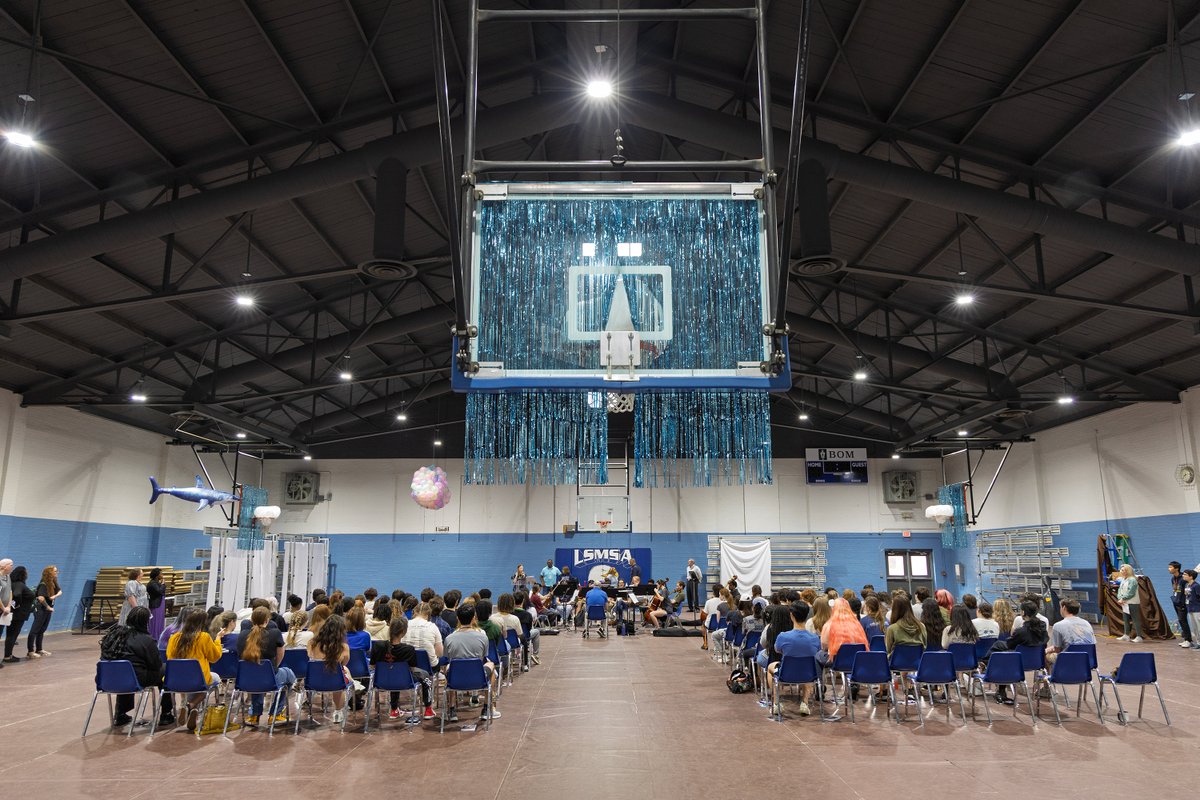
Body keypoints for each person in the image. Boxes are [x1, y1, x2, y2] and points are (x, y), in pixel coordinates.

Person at [106, 606, 175, 729]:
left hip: (108, 679)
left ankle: (120, 713)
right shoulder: (146, 640)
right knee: (166, 669)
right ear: (145, 622)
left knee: (125, 671)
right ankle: (166, 713)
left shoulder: (113, 636)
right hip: (137, 679)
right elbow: (156, 664)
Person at [236, 606, 295, 726]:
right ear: (267, 620)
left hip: (246, 679)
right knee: (289, 675)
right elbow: (280, 655)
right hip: (269, 677)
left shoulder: (242, 635)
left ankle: (254, 715)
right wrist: (272, 669)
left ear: (252, 620)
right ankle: (275, 713)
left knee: (258, 679)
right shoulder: (275, 633)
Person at [166, 607, 223, 731]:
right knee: (215, 679)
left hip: (175, 679)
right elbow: (215, 657)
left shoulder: (174, 637)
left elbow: (169, 657)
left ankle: (190, 708)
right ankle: (191, 705)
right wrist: (218, 640)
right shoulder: (204, 637)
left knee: (191, 683)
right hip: (198, 679)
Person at [442, 604, 499, 722]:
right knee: (491, 665)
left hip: (455, 679)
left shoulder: (449, 638)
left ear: (458, 618)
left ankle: (452, 709)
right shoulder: (482, 636)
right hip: (478, 677)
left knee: (448, 666)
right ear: (474, 618)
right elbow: (483, 657)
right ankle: (487, 707)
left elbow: (447, 658)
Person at [371, 616, 431, 721]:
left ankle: (394, 709)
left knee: (394, 673)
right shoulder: (409, 650)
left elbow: (372, 666)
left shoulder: (378, 646)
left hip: (381, 681)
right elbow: (412, 669)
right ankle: (428, 708)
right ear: (403, 631)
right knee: (425, 676)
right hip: (403, 681)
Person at [991, 601, 1049, 705]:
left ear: (1023, 612)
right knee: (1002, 647)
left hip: (1019, 662)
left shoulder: (1021, 631)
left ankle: (987, 665)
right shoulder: (1043, 626)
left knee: (1000, 648)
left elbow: (1010, 644)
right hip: (1037, 662)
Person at [770, 601, 820, 716]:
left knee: (770, 667)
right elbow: (817, 651)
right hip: (809, 675)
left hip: (786, 673)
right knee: (806, 667)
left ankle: (776, 703)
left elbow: (777, 650)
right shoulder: (815, 638)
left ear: (791, 615)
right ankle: (805, 702)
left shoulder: (783, 636)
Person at [307, 613, 351, 724]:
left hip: (313, 681)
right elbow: (344, 663)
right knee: (342, 673)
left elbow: (310, 659)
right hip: (335, 682)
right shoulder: (343, 647)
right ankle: (338, 711)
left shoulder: (312, 643)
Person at [1045, 598, 1095, 666]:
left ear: (1064, 608)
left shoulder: (1058, 625)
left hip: (1067, 659)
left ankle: (1053, 676)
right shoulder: (1087, 623)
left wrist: (1046, 651)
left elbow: (1057, 649)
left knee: (1047, 656)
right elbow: (1092, 643)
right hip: (1087, 659)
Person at [822, 598, 868, 666]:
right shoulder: (857, 624)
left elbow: (824, 645)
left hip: (836, 661)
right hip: (856, 660)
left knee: (818, 655)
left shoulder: (828, 625)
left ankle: (819, 676)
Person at [26, 565, 60, 657]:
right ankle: (30, 651)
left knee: (42, 629)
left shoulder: (53, 583)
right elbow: (41, 598)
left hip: (47, 609)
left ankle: (39, 649)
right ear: (50, 573)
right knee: (35, 630)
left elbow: (60, 591)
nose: (57, 572)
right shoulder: (43, 584)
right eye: (55, 571)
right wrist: (48, 607)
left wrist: (54, 596)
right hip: (41, 609)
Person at [3, 566, 34, 662]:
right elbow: (16, 595)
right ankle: (7, 656)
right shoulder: (19, 584)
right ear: (22, 574)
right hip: (18, 614)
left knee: (11, 635)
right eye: (26, 572)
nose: (27, 574)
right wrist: (17, 605)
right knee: (12, 635)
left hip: (16, 613)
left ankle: (8, 655)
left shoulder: (12, 583)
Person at [404, 602, 444, 669]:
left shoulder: (405, 624)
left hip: (408, 666)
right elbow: (440, 653)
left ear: (414, 612)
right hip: (430, 667)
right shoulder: (433, 627)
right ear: (428, 614)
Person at [1116, 564, 1143, 642]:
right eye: (1121, 570)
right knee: (1126, 619)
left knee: (1135, 619)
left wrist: (1123, 598)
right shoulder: (1124, 579)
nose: (1121, 571)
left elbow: (1131, 592)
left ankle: (1139, 637)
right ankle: (1126, 635)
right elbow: (1120, 590)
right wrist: (1120, 598)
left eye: (1123, 570)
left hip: (1132, 602)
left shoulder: (1132, 580)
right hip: (1124, 603)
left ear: (1128, 570)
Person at [1169, 562, 1192, 647]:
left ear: (1176, 568)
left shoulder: (1183, 578)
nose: (1169, 569)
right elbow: (1175, 589)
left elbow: (1187, 590)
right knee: (1180, 620)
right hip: (1176, 601)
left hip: (1182, 603)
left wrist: (1184, 601)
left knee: (1183, 620)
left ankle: (1188, 640)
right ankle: (1186, 638)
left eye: (1171, 567)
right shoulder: (1173, 578)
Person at [700, 584, 724, 650]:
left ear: (713, 592)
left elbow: (704, 614)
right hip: (722, 624)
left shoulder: (708, 602)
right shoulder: (725, 602)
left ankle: (705, 644)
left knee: (703, 625)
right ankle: (725, 644)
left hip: (711, 624)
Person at [146, 568, 167, 641]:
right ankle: (153, 637)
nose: (162, 575)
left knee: (160, 621)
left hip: (160, 604)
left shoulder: (157, 583)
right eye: (161, 574)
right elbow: (160, 591)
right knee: (155, 622)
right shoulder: (152, 583)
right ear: (157, 575)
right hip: (155, 605)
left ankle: (158, 636)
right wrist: (163, 584)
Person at [1183, 569, 1200, 650]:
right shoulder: (1187, 585)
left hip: (1197, 609)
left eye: (1185, 574)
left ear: (1191, 576)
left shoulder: (1196, 586)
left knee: (1199, 627)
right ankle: (1197, 642)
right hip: (1190, 609)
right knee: (1194, 627)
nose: (1183, 575)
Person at [0, 559, 12, 669]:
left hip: (5, 611)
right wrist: (3, 608)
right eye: (10, 565)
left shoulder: (8, 577)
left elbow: (10, 592)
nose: (12, 566)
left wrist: (8, 606)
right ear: (4, 566)